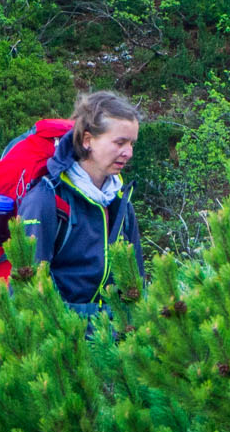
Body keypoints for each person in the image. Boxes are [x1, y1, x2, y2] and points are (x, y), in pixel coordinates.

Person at [14, 90, 145, 319]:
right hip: (63, 340)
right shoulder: (47, 200)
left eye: (132, 143)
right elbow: (27, 292)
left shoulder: (120, 203)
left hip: (117, 342)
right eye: (119, 142)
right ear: (87, 140)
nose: (129, 152)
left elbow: (137, 285)